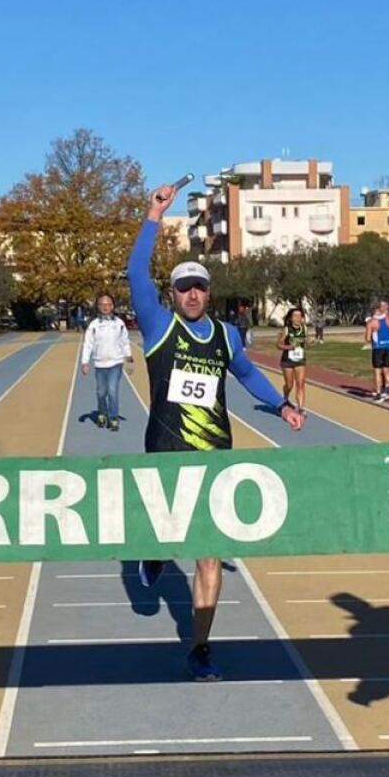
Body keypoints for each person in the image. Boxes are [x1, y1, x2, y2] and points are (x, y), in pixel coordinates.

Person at [130, 184, 304, 682]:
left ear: (209, 292)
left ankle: (201, 647)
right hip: (166, 453)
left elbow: (247, 374)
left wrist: (282, 404)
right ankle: (156, 550)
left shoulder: (226, 336)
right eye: (184, 287)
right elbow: (135, 273)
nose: (192, 294)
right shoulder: (159, 326)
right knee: (168, 534)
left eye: (199, 287)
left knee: (209, 557)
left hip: (215, 458)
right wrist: (154, 214)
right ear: (172, 294)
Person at [80, 292, 132, 430]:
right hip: (100, 364)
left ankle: (113, 418)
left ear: (113, 306)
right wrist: (85, 362)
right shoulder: (94, 325)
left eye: (108, 304)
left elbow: (125, 341)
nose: (105, 306)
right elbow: (88, 344)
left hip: (116, 363)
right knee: (101, 392)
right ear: (98, 306)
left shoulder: (119, 324)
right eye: (102, 304)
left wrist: (129, 358)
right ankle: (102, 413)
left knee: (112, 390)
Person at [365, 299, 389, 402]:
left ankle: (379, 392)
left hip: (378, 348)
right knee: (387, 369)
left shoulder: (371, 322)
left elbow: (368, 338)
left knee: (377, 371)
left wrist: (372, 339)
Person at [276, 306, 308, 412]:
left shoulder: (304, 329)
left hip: (300, 360)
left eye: (299, 316)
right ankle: (285, 397)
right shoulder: (286, 330)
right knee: (289, 385)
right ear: (291, 318)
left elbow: (305, 343)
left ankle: (301, 408)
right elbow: (278, 345)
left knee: (300, 384)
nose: (298, 318)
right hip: (287, 361)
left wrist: (309, 342)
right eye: (295, 316)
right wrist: (289, 347)